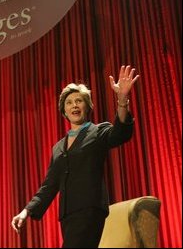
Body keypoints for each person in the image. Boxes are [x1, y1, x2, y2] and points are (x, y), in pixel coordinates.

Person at [11, 65, 139, 248]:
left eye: (79, 101)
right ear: (64, 111)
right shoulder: (58, 147)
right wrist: (26, 211)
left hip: (90, 209)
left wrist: (122, 98)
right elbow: (49, 185)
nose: (74, 105)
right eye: (69, 102)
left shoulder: (97, 132)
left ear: (87, 106)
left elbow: (120, 133)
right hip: (67, 215)